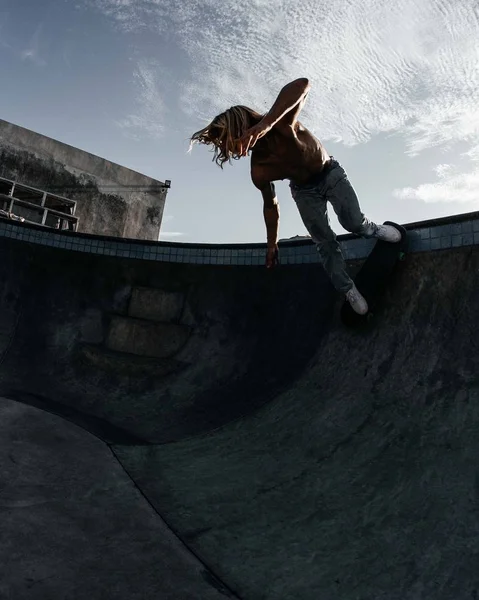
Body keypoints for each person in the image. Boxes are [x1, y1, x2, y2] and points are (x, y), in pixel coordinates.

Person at [189, 77, 401, 315]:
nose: (233, 148)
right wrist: (272, 243)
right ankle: (348, 289)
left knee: (352, 222)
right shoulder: (259, 169)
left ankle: (372, 229)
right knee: (324, 242)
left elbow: (303, 84)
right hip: (304, 192)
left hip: (329, 173)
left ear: (241, 128)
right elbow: (271, 206)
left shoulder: (280, 123)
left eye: (231, 140)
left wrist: (265, 124)